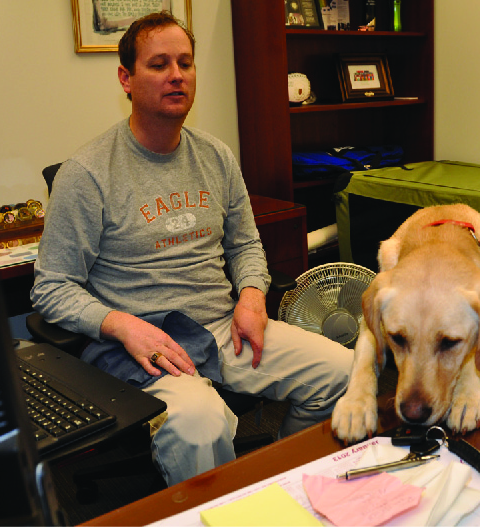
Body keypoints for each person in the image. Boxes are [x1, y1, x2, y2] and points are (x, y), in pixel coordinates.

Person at [30, 11, 354, 486]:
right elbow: (51, 288)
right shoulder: (88, 173)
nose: (177, 75)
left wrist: (250, 295)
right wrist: (122, 326)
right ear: (126, 77)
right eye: (159, 64)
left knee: (344, 370)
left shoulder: (216, 156)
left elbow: (245, 243)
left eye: (185, 62)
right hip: (145, 348)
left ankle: (284, 486)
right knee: (201, 423)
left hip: (225, 331)